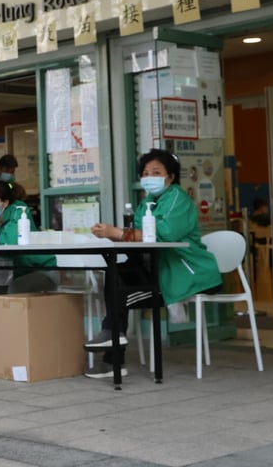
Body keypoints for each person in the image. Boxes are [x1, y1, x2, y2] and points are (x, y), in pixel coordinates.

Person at [90, 149, 222, 378]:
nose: (149, 177)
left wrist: (120, 233)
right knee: (116, 272)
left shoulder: (177, 199)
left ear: (170, 177)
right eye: (145, 173)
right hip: (161, 272)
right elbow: (136, 235)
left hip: (188, 274)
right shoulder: (148, 203)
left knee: (121, 294)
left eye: (156, 172)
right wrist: (110, 234)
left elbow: (164, 233)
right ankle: (111, 342)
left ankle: (112, 355)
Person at [0, 180, 57, 359]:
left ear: (5, 202)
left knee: (15, 288)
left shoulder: (20, 211)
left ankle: (15, 341)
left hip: (40, 271)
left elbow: (8, 239)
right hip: (9, 270)